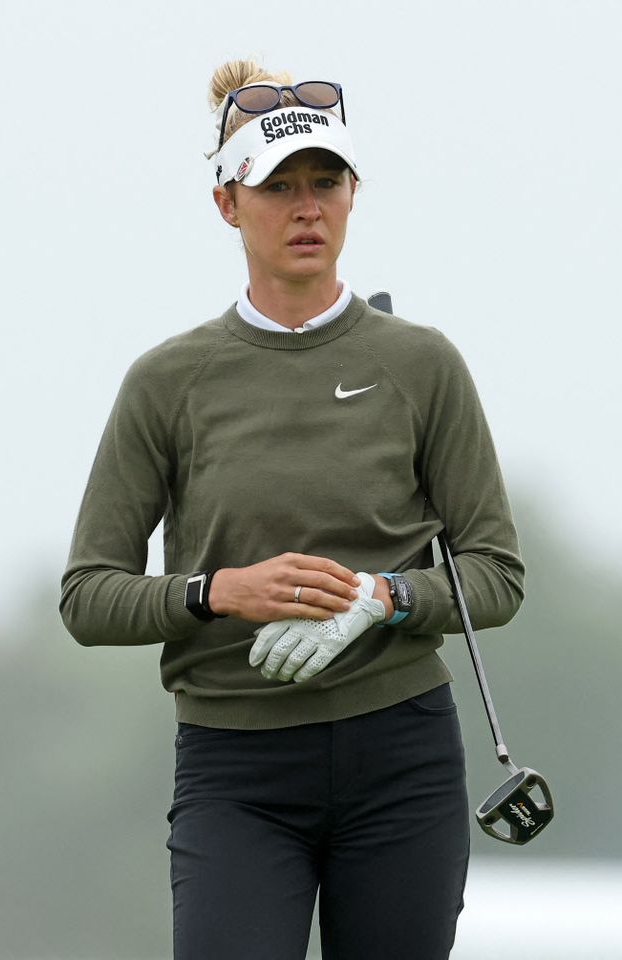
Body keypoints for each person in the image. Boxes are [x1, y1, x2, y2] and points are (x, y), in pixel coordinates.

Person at [60, 58, 525, 960]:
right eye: (278, 186)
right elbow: (88, 596)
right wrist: (216, 593)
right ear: (227, 203)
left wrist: (384, 597)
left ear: (353, 194)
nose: (307, 207)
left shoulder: (422, 363)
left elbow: (496, 575)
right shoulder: (168, 381)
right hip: (236, 769)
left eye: (326, 182)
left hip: (402, 758)